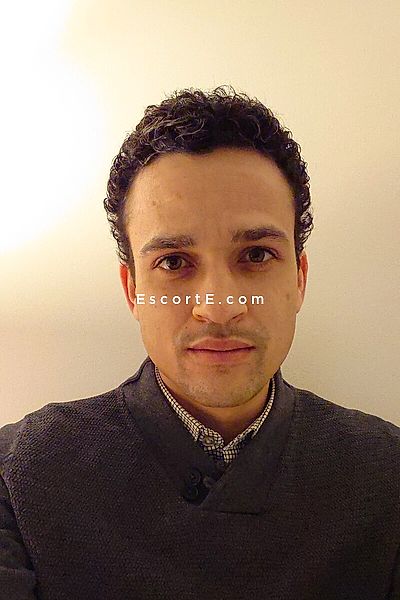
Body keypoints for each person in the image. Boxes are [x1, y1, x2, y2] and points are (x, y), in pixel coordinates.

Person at [0, 85, 399, 600]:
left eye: (256, 255)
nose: (219, 306)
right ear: (133, 290)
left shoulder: (386, 478)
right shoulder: (21, 477)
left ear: (299, 279)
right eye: (173, 262)